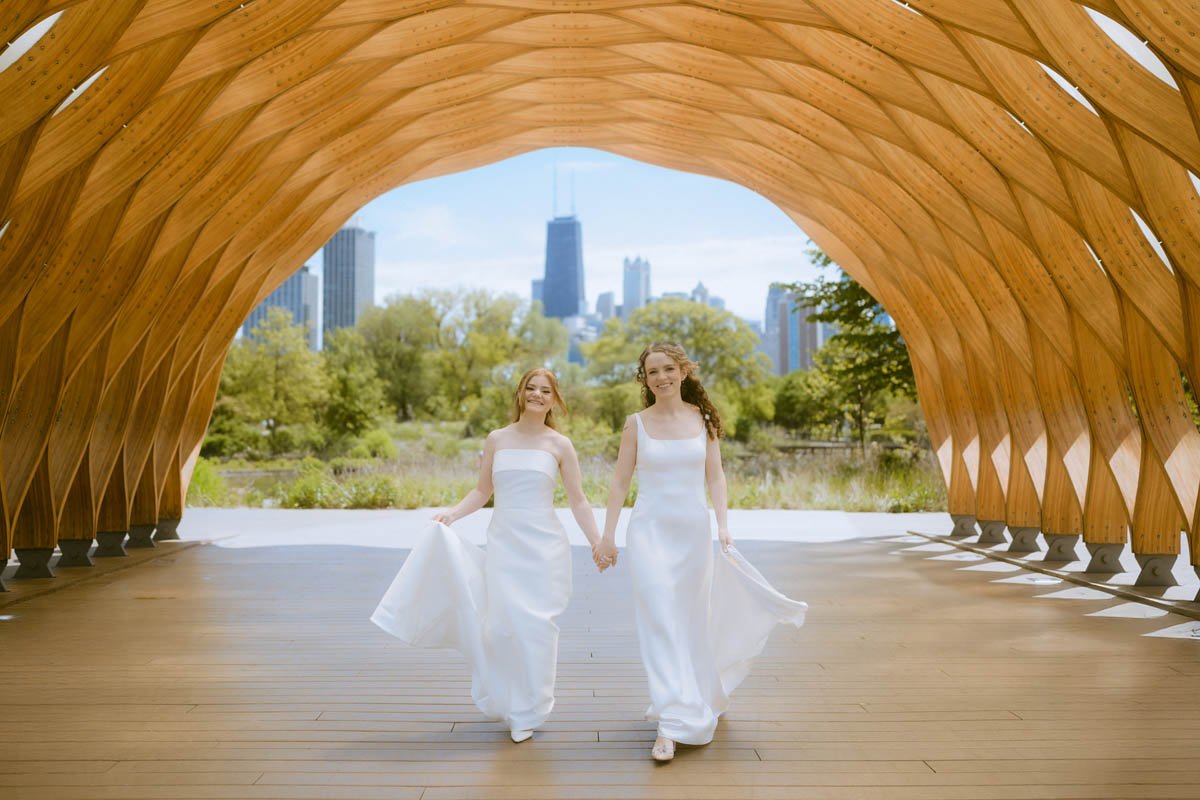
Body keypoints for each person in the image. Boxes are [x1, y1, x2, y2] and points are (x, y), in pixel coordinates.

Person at [372, 367, 617, 743]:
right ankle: (512, 699)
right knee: (502, 627)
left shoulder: (560, 445)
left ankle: (531, 709)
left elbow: (578, 500)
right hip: (504, 543)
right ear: (520, 394)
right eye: (530, 388)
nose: (537, 395)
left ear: (555, 399)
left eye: (545, 391)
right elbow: (482, 490)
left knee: (537, 626)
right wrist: (451, 514)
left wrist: (599, 542)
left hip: (544, 547)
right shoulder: (497, 439)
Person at [599, 341, 807, 762]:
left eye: (668, 369)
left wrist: (724, 527)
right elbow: (620, 483)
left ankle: (694, 696)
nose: (660, 377)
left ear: (684, 371)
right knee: (659, 620)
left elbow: (716, 478)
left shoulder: (703, 420)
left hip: (693, 535)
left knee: (691, 623)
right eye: (652, 372)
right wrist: (608, 536)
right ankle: (671, 723)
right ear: (645, 379)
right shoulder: (635, 424)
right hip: (649, 534)